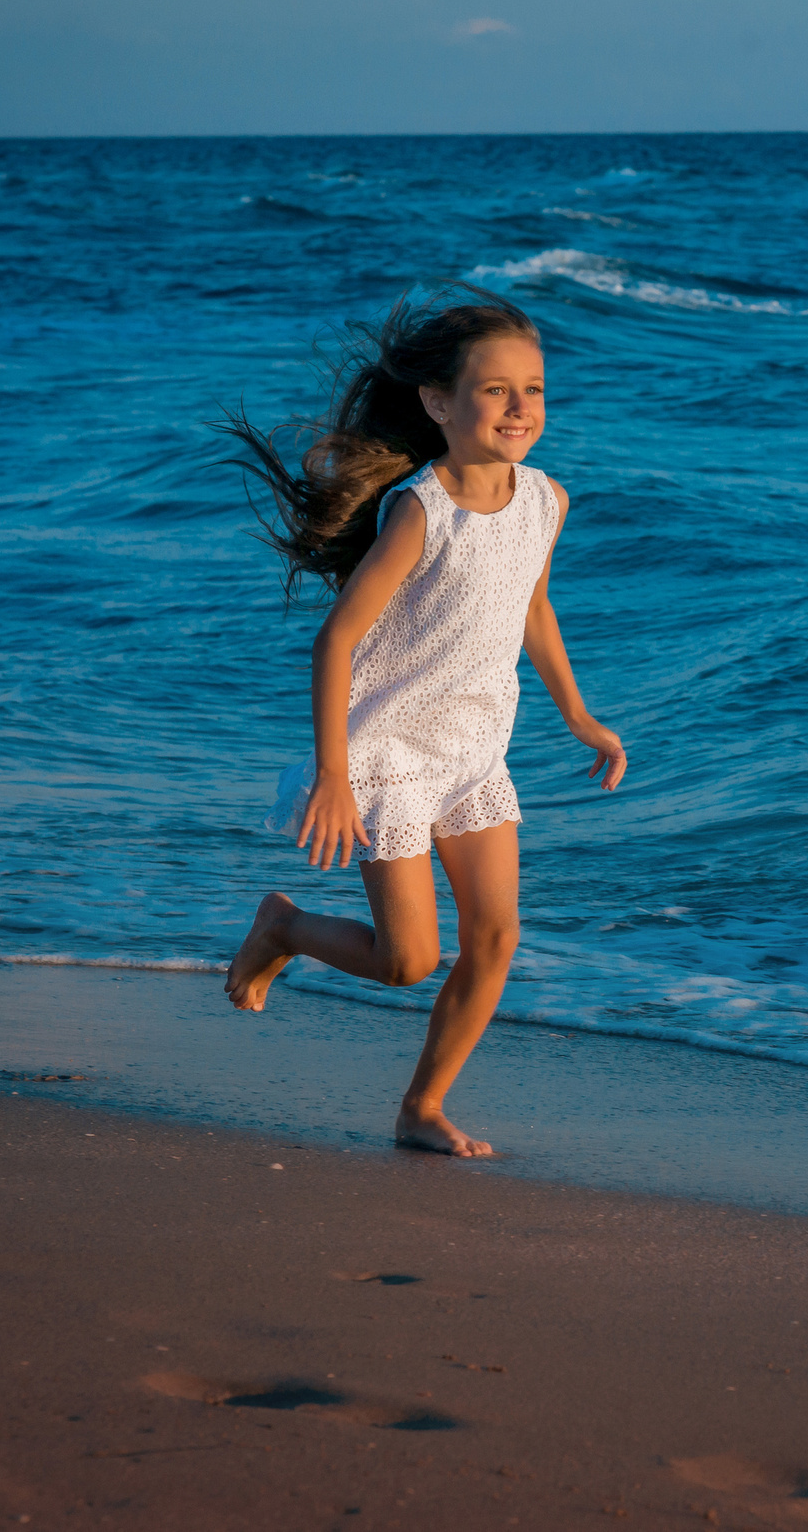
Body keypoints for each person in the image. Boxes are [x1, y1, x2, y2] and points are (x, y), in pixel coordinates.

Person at [217, 290, 625, 1157]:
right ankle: (282, 926)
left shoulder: (546, 499)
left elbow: (535, 609)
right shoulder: (420, 510)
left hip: (477, 748)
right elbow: (337, 640)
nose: (520, 408)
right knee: (408, 960)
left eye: (535, 390)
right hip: (391, 750)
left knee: (496, 937)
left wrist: (581, 716)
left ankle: (422, 1108)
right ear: (439, 403)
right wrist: (334, 774)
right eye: (496, 390)